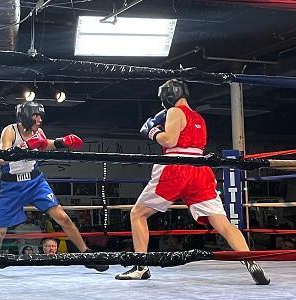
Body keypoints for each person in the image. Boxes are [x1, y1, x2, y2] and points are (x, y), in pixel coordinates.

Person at [115, 79, 270, 285]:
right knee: (222, 223)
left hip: (176, 167)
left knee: (138, 214)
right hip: (200, 170)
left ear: (168, 96)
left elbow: (169, 141)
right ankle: (250, 261)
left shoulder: (174, 112)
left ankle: (141, 267)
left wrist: (152, 131)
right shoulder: (199, 118)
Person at [0, 101, 109, 276]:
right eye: (36, 115)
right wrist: (25, 147)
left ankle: (87, 255)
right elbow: (2, 158)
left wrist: (61, 142)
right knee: (1, 229)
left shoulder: (38, 131)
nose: (40, 119)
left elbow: (43, 144)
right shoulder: (10, 130)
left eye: (41, 116)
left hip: (35, 182)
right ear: (25, 116)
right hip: (11, 185)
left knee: (63, 217)